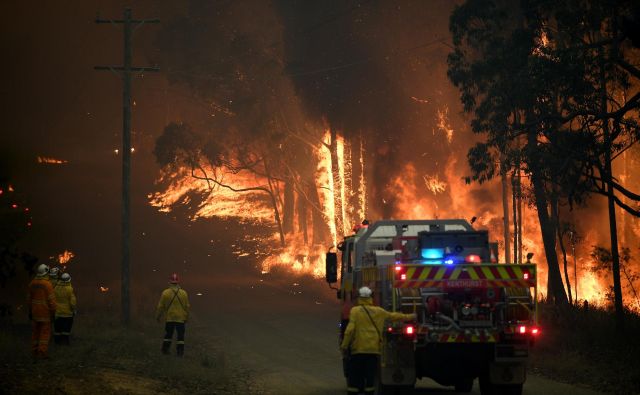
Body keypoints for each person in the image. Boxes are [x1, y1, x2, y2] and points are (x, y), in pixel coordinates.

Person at [340, 286, 416, 395]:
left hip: (358, 351)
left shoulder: (355, 311)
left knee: (355, 378)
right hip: (373, 352)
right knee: (370, 378)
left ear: (359, 297)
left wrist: (344, 346)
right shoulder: (378, 311)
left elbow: (349, 330)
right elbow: (394, 316)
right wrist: (411, 316)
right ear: (370, 297)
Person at [156, 273, 190, 356]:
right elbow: (187, 307)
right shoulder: (184, 293)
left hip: (170, 318)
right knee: (180, 337)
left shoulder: (165, 293)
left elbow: (160, 306)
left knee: (168, 335)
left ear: (170, 282)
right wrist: (186, 317)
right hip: (180, 318)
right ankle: (180, 352)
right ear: (178, 282)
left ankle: (165, 350)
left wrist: (158, 316)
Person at [27, 264, 56, 359]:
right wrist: (53, 312)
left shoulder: (32, 283)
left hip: (35, 313)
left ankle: (34, 351)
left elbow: (29, 300)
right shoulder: (48, 285)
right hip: (45, 313)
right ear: (46, 273)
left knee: (35, 332)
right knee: (44, 333)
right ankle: (42, 353)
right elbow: (51, 301)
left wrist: (30, 311)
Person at [53, 273, 76, 345]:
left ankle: (57, 342)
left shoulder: (56, 288)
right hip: (67, 314)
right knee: (66, 329)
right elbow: (73, 302)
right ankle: (65, 342)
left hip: (57, 313)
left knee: (57, 329)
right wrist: (74, 310)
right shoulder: (70, 289)